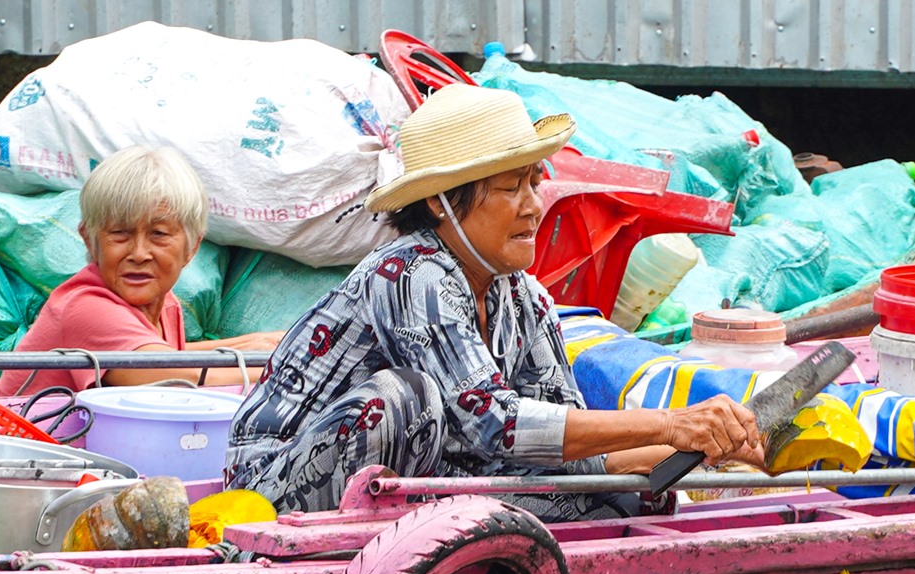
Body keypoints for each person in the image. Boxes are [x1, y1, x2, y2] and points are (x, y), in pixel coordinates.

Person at [224, 84, 761, 520]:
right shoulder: (410, 273)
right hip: (274, 490)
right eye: (512, 188)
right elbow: (498, 426)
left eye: (535, 182)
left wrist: (711, 449)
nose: (534, 206)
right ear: (440, 202)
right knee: (402, 397)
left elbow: (568, 444)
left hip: (422, 474)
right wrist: (670, 425)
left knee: (614, 499)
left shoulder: (521, 296)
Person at [0, 145, 281, 395]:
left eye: (158, 234)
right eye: (120, 233)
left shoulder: (166, 305)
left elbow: (169, 358)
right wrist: (289, 364)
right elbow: (178, 379)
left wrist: (260, 343)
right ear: (90, 241)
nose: (139, 254)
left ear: (192, 247)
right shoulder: (86, 308)